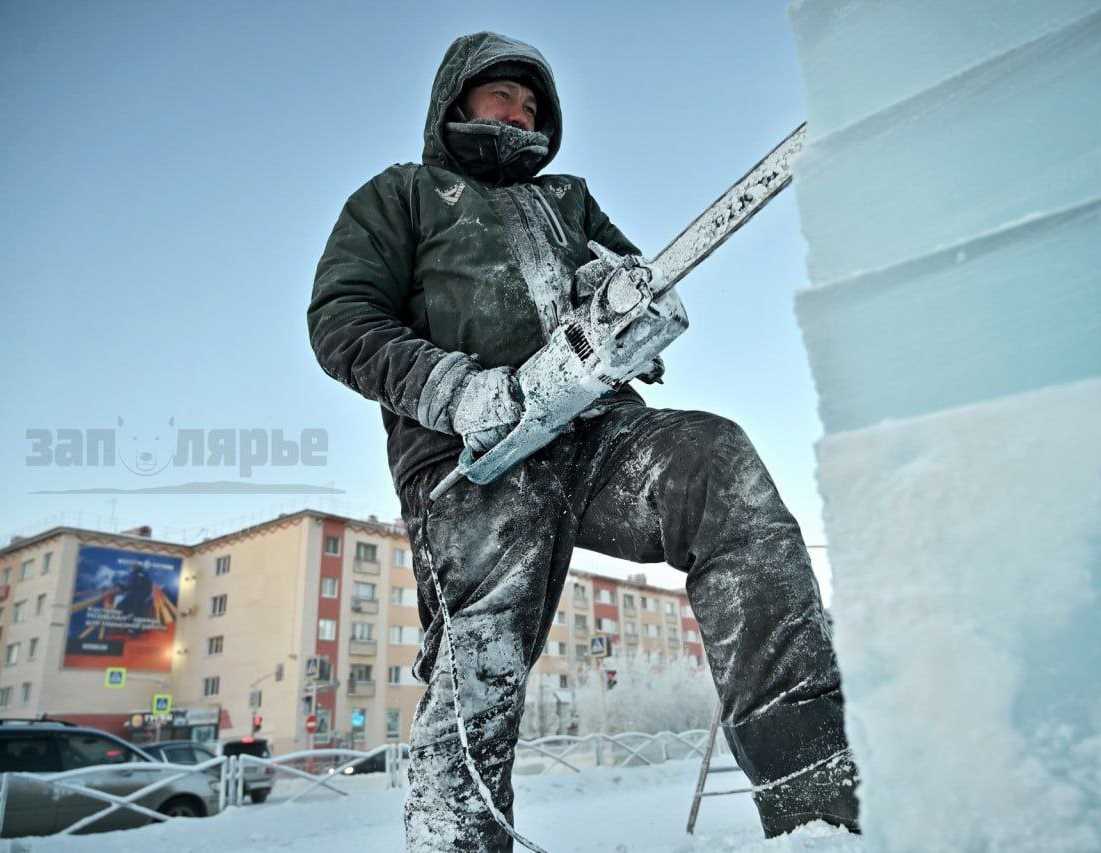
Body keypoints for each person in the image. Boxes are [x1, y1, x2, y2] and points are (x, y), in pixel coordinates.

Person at [308, 30, 859, 851]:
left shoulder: (567, 198)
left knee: (716, 462)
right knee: (481, 654)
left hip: (596, 431)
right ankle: (457, 841)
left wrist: (616, 287)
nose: (522, 113)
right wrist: (457, 390)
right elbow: (342, 318)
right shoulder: (405, 195)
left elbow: (634, 273)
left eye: (534, 104)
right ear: (456, 100)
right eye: (505, 96)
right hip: (471, 455)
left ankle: (815, 785)